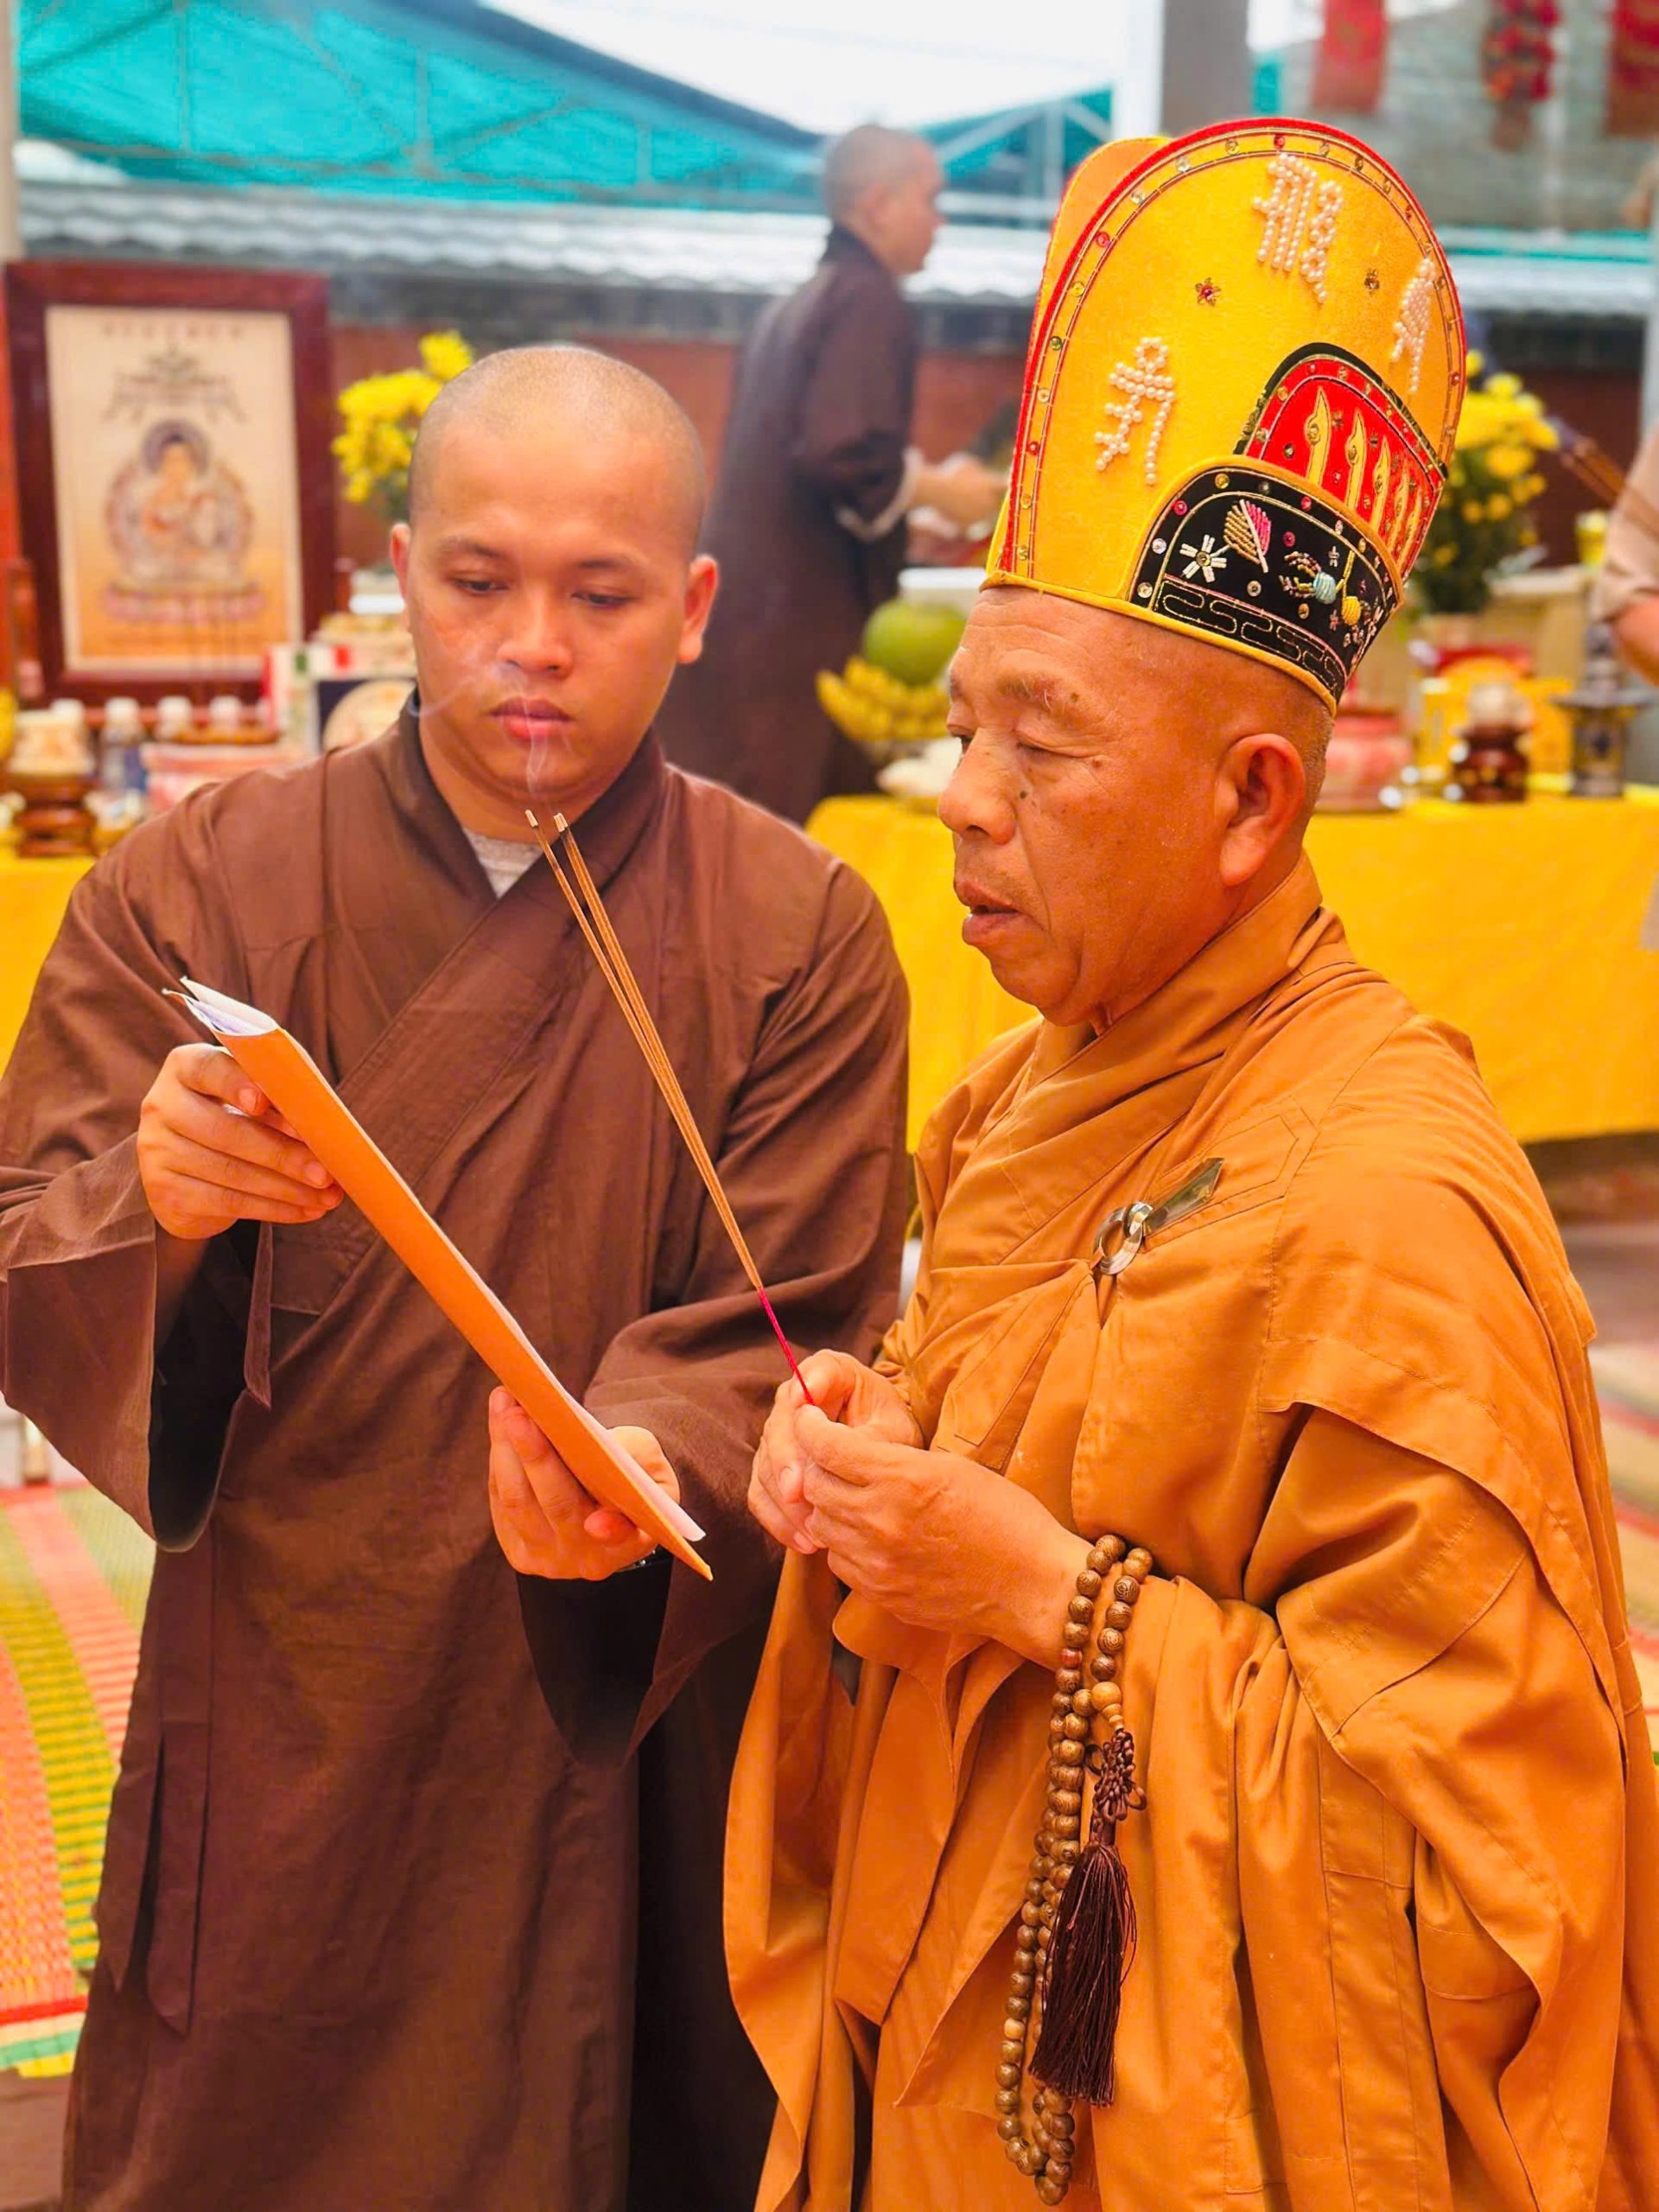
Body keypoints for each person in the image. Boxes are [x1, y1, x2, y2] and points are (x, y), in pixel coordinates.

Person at [722, 124, 1659, 2208]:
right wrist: (880, 1439)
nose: (963, 800)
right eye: (967, 724)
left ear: (1252, 801)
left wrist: (1039, 1594)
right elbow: (1009, 1406)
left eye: (1039, 744)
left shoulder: (1389, 1210)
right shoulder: (1027, 1088)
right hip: (944, 2036)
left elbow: (1487, 1877)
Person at [0, 345, 910, 2212]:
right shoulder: (195, 881)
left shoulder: (798, 928)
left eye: (602, 595)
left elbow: (800, 1310)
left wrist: (644, 1453)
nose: (534, 647)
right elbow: (26, 1226)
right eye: (481, 580)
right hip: (288, 1681)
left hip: (616, 1692)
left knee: (611, 2118)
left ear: (695, 608)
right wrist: (161, 1202)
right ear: (400, 574)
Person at [658, 124, 1004, 824]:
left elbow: (818, 478)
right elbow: (842, 455)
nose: (940, 221)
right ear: (878, 205)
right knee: (782, 844)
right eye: (931, 199)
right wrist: (946, 491)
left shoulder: (794, 304)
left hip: (749, 616)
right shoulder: (866, 297)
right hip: (792, 638)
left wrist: (908, 518)